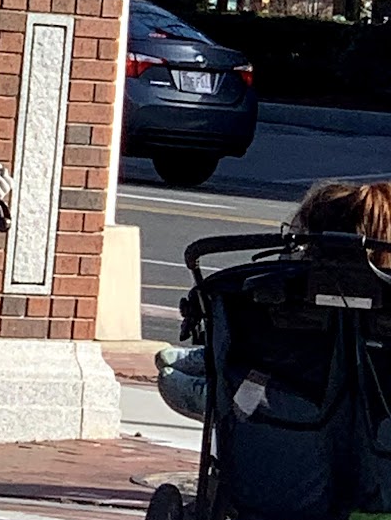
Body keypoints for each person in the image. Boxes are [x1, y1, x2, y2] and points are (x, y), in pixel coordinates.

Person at [158, 179, 391, 420]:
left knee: (278, 351)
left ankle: (223, 382)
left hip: (299, 404)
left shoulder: (286, 299)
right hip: (375, 411)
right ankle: (220, 367)